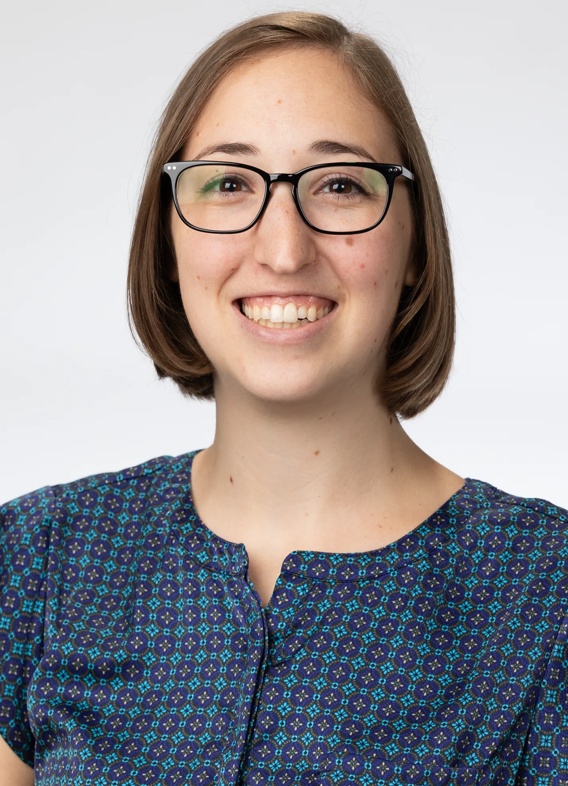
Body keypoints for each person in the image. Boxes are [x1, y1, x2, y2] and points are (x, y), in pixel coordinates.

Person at [0, 10, 566, 785]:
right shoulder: (40, 559)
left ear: (414, 243)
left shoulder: (547, 594)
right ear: (167, 242)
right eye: (229, 184)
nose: (283, 248)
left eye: (338, 185)